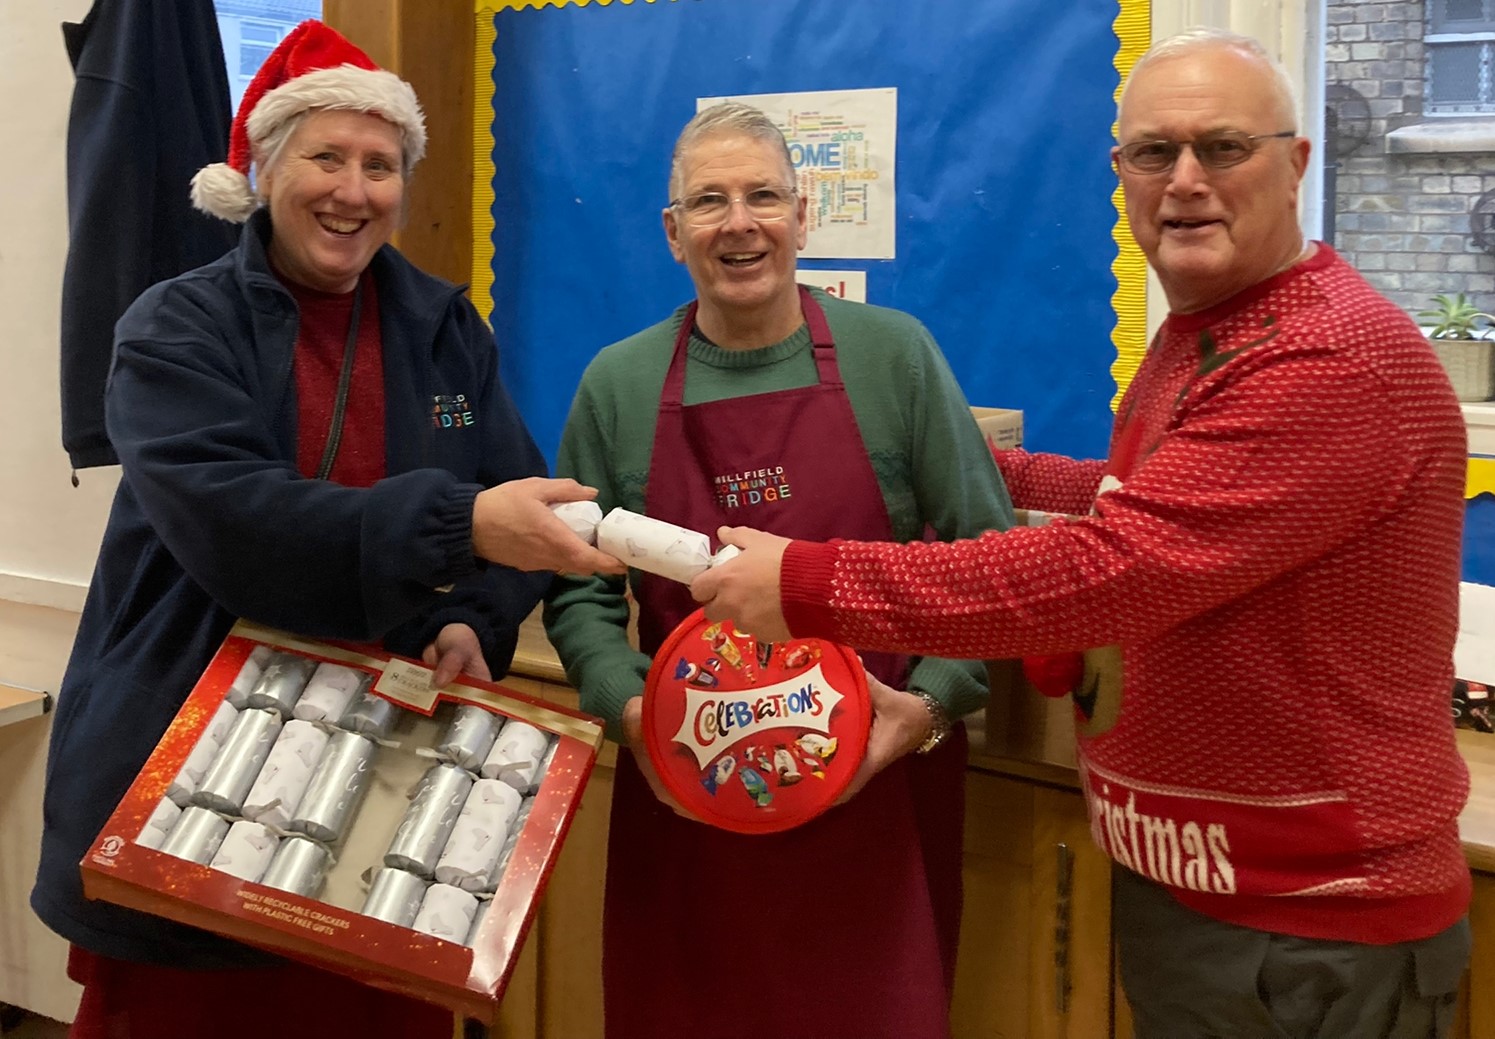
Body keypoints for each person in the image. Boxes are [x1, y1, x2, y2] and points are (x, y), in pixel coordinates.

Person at [693, 29, 1474, 1039]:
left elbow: (1111, 567)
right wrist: (966, 462)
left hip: (1309, 931)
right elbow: (1132, 496)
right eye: (1153, 152)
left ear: (1295, 164)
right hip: (1207, 900)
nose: (1183, 180)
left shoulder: (1326, 357)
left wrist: (809, 584)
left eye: (1220, 148)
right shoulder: (1210, 332)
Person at [31, 21, 620, 1039]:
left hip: (380, 778)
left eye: (380, 165)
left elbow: (514, 500)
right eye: (326, 158)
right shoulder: (173, 328)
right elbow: (236, 525)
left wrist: (476, 619)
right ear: (263, 170)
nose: (353, 190)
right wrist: (463, 523)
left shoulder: (444, 329)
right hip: (189, 765)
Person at [543, 102, 1014, 1038]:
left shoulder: (894, 357)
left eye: (762, 196)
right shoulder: (617, 384)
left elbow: (992, 566)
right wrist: (630, 711)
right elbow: (577, 586)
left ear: (802, 216)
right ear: (672, 232)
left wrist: (925, 709)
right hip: (686, 791)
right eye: (708, 202)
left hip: (876, 792)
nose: (739, 223)